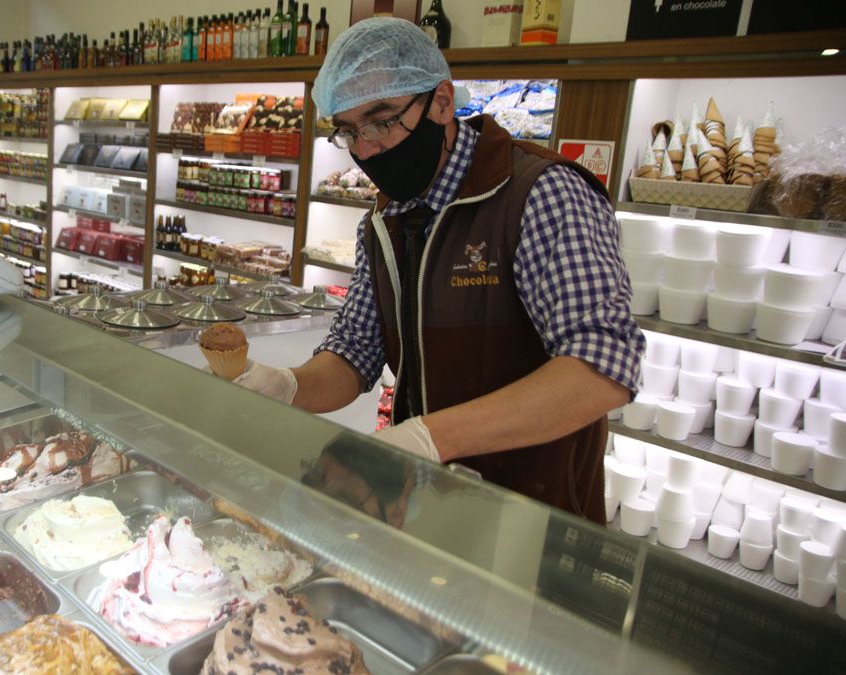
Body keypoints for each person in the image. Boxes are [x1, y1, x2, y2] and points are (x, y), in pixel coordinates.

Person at [229, 18, 644, 522]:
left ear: (443, 102)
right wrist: (290, 386)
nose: (366, 149)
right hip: (424, 502)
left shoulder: (540, 194)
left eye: (382, 121)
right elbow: (355, 350)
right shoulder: (386, 220)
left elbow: (603, 366)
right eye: (349, 131)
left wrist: (431, 437)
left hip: (536, 514)